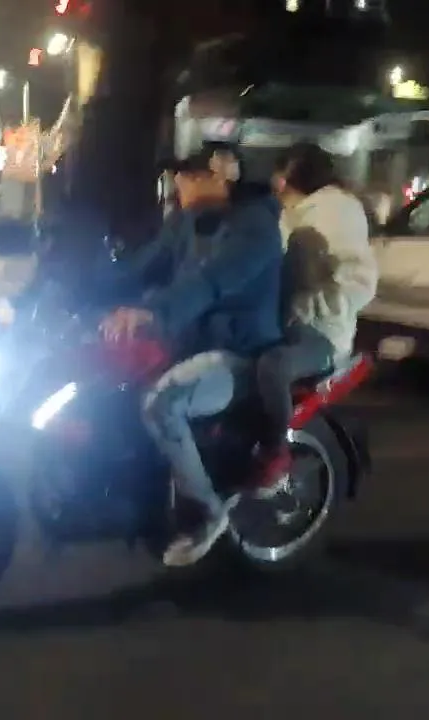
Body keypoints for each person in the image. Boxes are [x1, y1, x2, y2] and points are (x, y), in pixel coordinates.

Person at [100, 145, 284, 567]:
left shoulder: (254, 227)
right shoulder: (188, 222)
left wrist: (153, 312)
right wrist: (74, 283)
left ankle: (206, 512)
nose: (179, 184)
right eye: (179, 175)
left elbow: (210, 282)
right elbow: (140, 266)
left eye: (191, 175)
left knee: (162, 404)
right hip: (187, 342)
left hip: (238, 353)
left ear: (223, 177)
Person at [251, 142, 378, 494]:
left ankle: (275, 455)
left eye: (280, 172)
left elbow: (357, 279)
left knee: (272, 367)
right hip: (287, 321)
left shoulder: (334, 211)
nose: (276, 181)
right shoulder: (290, 212)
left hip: (320, 333)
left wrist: (319, 292)